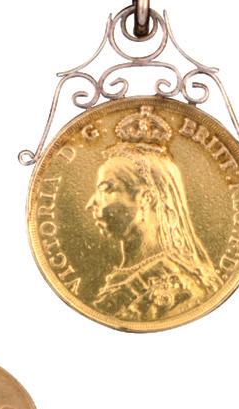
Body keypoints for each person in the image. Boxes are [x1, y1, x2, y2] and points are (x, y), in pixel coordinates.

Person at [85, 106, 221, 321]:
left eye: (106, 189)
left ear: (146, 198)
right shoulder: (123, 276)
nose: (90, 204)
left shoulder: (181, 288)